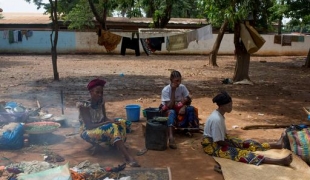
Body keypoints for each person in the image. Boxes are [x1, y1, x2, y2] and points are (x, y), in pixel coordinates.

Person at [201, 91, 292, 166]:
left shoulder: (219, 115)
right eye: (229, 105)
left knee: (248, 143)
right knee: (241, 153)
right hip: (213, 146)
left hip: (220, 140)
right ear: (221, 106)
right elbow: (219, 141)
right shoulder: (216, 119)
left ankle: (276, 145)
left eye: (231, 104)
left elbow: (221, 138)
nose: (231, 107)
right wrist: (234, 145)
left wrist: (235, 143)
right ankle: (280, 161)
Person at [76, 78, 140, 167]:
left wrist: (112, 121)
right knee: (111, 127)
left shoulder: (101, 101)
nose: (100, 95)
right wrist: (107, 123)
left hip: (100, 126)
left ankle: (116, 143)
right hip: (87, 131)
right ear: (91, 92)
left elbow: (104, 117)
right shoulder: (84, 105)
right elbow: (89, 126)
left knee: (123, 122)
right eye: (97, 92)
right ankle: (128, 157)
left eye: (101, 92)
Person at [159, 70, 199, 149]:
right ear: (171, 80)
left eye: (180, 81)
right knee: (172, 112)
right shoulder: (166, 90)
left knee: (190, 109)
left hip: (179, 107)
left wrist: (184, 106)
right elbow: (169, 106)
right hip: (168, 109)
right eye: (176, 81)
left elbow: (188, 99)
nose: (178, 83)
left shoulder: (182, 87)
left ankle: (189, 129)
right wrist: (173, 91)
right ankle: (171, 137)